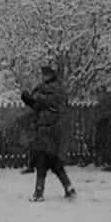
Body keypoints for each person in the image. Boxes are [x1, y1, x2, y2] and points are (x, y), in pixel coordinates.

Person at [21, 64, 76, 201]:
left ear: (51, 75)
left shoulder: (55, 90)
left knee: (42, 161)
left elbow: (47, 105)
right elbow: (39, 106)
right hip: (48, 130)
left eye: (46, 74)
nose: (43, 76)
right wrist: (29, 100)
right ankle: (68, 188)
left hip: (50, 129)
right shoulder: (48, 89)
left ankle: (39, 193)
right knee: (54, 162)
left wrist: (32, 100)